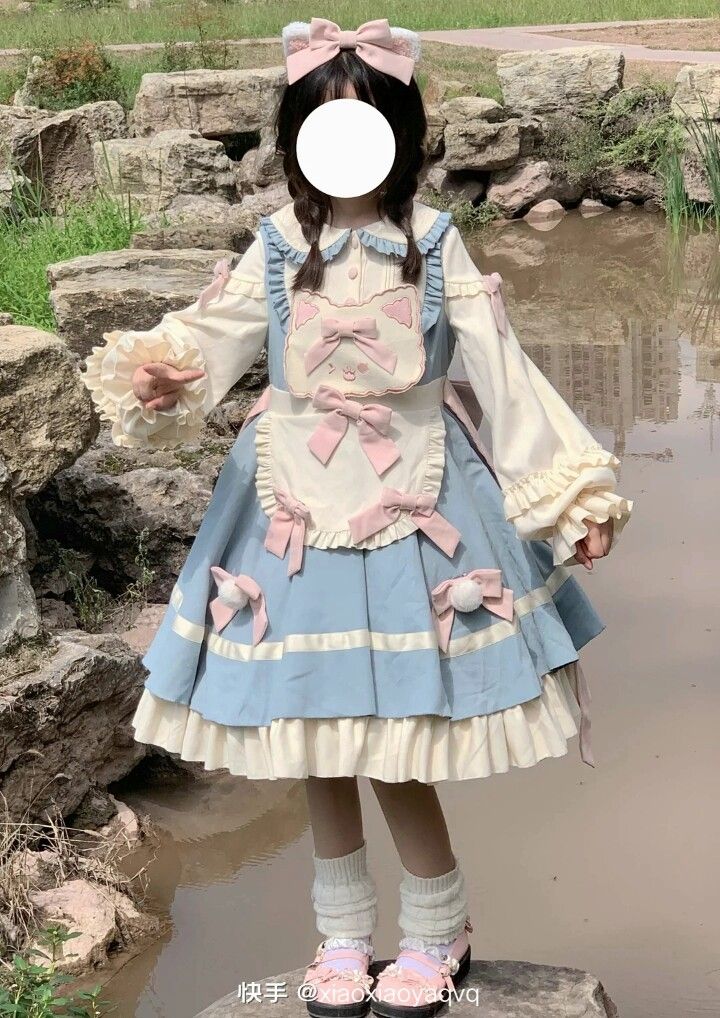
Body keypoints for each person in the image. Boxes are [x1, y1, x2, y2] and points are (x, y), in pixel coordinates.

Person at [83, 17, 633, 1018]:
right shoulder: (276, 245)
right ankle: (341, 934)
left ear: (401, 133)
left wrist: (571, 493)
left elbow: (503, 372)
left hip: (420, 500)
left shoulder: (435, 242)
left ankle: (437, 929)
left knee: (393, 738)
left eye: (365, 122)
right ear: (295, 135)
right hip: (287, 503)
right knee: (313, 732)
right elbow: (211, 338)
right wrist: (164, 371)